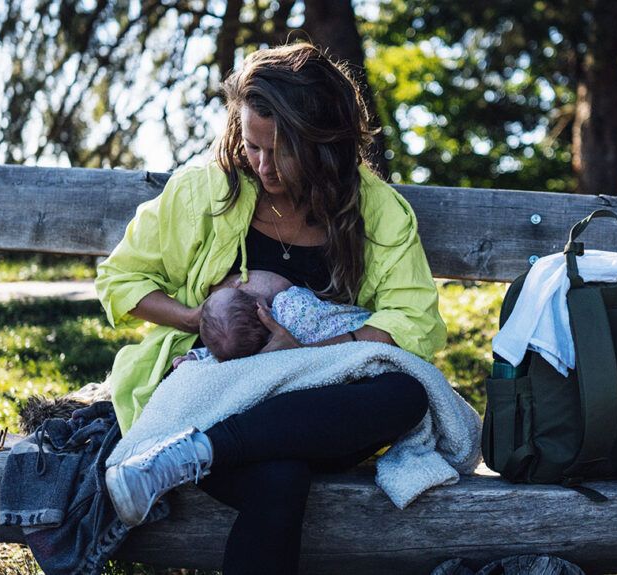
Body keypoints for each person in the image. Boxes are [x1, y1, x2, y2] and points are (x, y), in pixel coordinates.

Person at [95, 43, 446, 574]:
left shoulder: (376, 210)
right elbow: (121, 279)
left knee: (406, 393)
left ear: (324, 144)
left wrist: (303, 352)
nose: (261, 165)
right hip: (220, 391)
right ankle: (205, 446)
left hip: (318, 395)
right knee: (280, 476)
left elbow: (411, 321)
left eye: (279, 150)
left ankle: (194, 454)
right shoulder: (204, 190)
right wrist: (203, 319)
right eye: (251, 146)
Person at [184, 270, 372, 363]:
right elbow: (304, 296)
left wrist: (194, 357)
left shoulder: (249, 354)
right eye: (239, 291)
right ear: (261, 307)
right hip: (361, 326)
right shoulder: (287, 304)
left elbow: (222, 355)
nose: (236, 285)